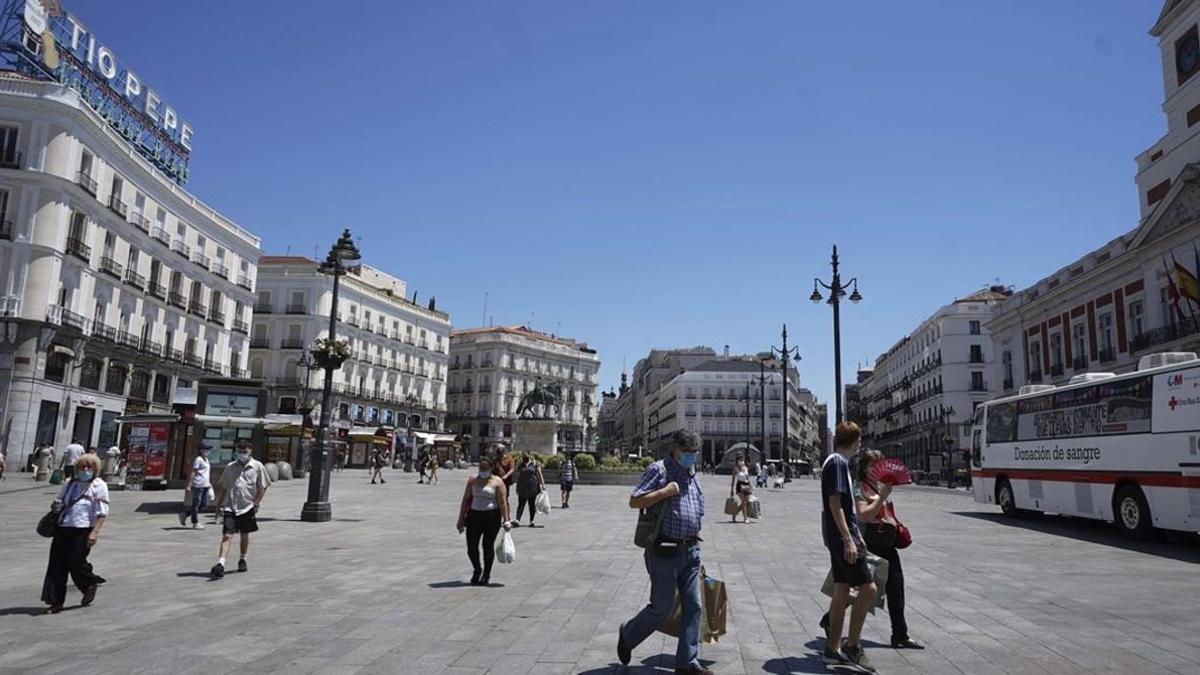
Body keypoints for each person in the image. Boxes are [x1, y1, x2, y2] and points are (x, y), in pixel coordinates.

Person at [617, 430, 711, 675]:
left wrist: (694, 529)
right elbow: (635, 500)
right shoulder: (659, 470)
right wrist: (665, 492)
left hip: (690, 549)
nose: (692, 457)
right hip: (663, 549)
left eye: (695, 453)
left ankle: (687, 663)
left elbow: (695, 505)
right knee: (661, 607)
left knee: (694, 606)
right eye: (688, 453)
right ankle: (628, 634)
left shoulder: (693, 474)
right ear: (675, 450)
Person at [819, 422, 878, 672]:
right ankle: (852, 645)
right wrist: (848, 538)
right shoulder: (838, 463)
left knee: (842, 588)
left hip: (838, 535)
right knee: (869, 588)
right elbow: (835, 503)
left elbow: (841, 504)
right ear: (852, 440)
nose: (860, 444)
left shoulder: (835, 462)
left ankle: (832, 650)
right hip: (841, 538)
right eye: (859, 439)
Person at [854, 449, 923, 650]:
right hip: (871, 545)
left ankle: (900, 634)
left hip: (888, 546)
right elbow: (863, 515)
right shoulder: (859, 487)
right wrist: (881, 498)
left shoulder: (879, 486)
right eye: (872, 465)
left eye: (879, 464)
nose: (876, 468)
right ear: (864, 468)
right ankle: (830, 620)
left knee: (896, 589)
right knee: (858, 591)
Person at [41, 453, 108, 613]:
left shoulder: (99, 485)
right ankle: (56, 602)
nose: (85, 470)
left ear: (95, 469)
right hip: (63, 527)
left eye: (89, 467)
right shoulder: (69, 483)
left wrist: (95, 532)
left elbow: (102, 512)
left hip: (83, 529)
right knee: (57, 566)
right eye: (82, 467)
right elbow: (59, 501)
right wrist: (56, 506)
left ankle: (89, 583)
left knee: (76, 562)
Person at [210, 442, 271, 579]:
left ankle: (242, 558)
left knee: (244, 535)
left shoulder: (258, 467)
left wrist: (257, 503)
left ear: (250, 452)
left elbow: (263, 487)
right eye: (239, 451)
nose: (242, 454)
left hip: (247, 507)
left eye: (245, 452)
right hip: (230, 507)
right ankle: (221, 564)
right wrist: (218, 506)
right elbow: (223, 487)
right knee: (227, 535)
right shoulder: (230, 467)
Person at [456, 454, 512, 586]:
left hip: (491, 516)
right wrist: (460, 519)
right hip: (474, 516)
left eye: (485, 468)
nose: (482, 470)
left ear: (491, 468)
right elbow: (465, 499)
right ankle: (477, 569)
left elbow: (503, 502)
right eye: (480, 468)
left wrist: (506, 520)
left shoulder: (498, 482)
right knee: (471, 547)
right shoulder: (472, 480)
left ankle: (486, 574)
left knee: (487, 546)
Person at [178, 442, 213, 530]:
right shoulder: (198, 459)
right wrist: (189, 485)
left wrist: (209, 485)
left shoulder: (206, 460)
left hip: (206, 485)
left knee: (204, 504)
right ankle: (195, 523)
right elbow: (193, 472)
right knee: (196, 504)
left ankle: (185, 514)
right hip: (198, 484)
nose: (208, 451)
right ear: (200, 450)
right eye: (206, 449)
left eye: (208, 449)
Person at [513, 453, 545, 528]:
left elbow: (540, 474)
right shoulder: (521, 464)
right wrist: (518, 464)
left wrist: (543, 484)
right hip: (522, 487)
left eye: (526, 456)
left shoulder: (535, 463)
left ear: (530, 456)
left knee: (531, 504)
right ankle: (517, 520)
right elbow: (516, 473)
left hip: (532, 487)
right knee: (521, 504)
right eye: (524, 456)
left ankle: (531, 521)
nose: (525, 458)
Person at [729, 456, 752, 523]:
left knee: (745, 502)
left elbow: (747, 477)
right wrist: (732, 489)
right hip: (740, 486)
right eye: (740, 460)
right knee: (744, 501)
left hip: (746, 485)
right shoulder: (735, 469)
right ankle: (745, 518)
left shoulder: (745, 468)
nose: (742, 461)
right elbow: (733, 480)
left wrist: (750, 486)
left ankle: (735, 513)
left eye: (743, 460)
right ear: (737, 461)